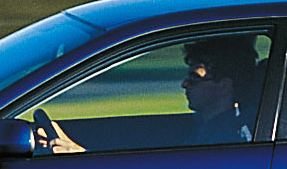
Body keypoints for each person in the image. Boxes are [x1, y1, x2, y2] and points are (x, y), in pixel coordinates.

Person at [34, 33, 260, 154]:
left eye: (195, 77)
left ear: (224, 87)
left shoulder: (227, 141)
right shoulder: (206, 128)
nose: (184, 84)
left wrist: (81, 158)